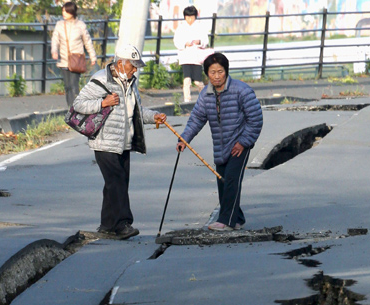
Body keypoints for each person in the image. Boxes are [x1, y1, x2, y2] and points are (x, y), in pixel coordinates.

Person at [73, 44, 167, 240]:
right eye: (132, 66)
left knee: (115, 183)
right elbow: (78, 104)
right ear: (121, 63)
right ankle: (123, 223)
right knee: (116, 182)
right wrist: (103, 103)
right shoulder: (100, 79)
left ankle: (107, 225)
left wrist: (154, 116)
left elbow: (137, 112)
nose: (135, 70)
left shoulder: (130, 83)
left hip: (124, 142)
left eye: (136, 66)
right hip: (105, 141)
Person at [176, 53, 263, 231]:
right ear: (207, 74)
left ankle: (226, 221)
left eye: (220, 72)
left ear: (226, 71)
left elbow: (255, 119)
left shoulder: (242, 90)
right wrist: (184, 139)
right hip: (220, 146)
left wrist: (244, 142)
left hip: (240, 144)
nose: (216, 76)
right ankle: (236, 217)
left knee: (231, 179)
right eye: (212, 72)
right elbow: (196, 119)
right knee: (223, 181)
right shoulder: (205, 95)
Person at [51, 1, 97, 107]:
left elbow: (87, 42)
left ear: (72, 12)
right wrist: (54, 51)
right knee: (67, 86)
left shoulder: (80, 25)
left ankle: (76, 108)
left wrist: (92, 56)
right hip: (63, 60)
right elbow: (55, 40)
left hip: (76, 60)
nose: (64, 13)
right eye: (63, 11)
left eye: (66, 11)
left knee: (73, 85)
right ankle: (70, 108)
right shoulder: (59, 25)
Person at [173, 5, 209, 103]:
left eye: (192, 17)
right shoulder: (181, 28)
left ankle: (204, 95)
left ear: (195, 17)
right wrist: (185, 43)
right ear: (185, 17)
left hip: (196, 58)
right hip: (185, 57)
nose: (189, 19)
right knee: (187, 79)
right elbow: (176, 41)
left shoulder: (200, 27)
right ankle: (187, 99)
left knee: (198, 81)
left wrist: (199, 41)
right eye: (188, 17)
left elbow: (205, 41)